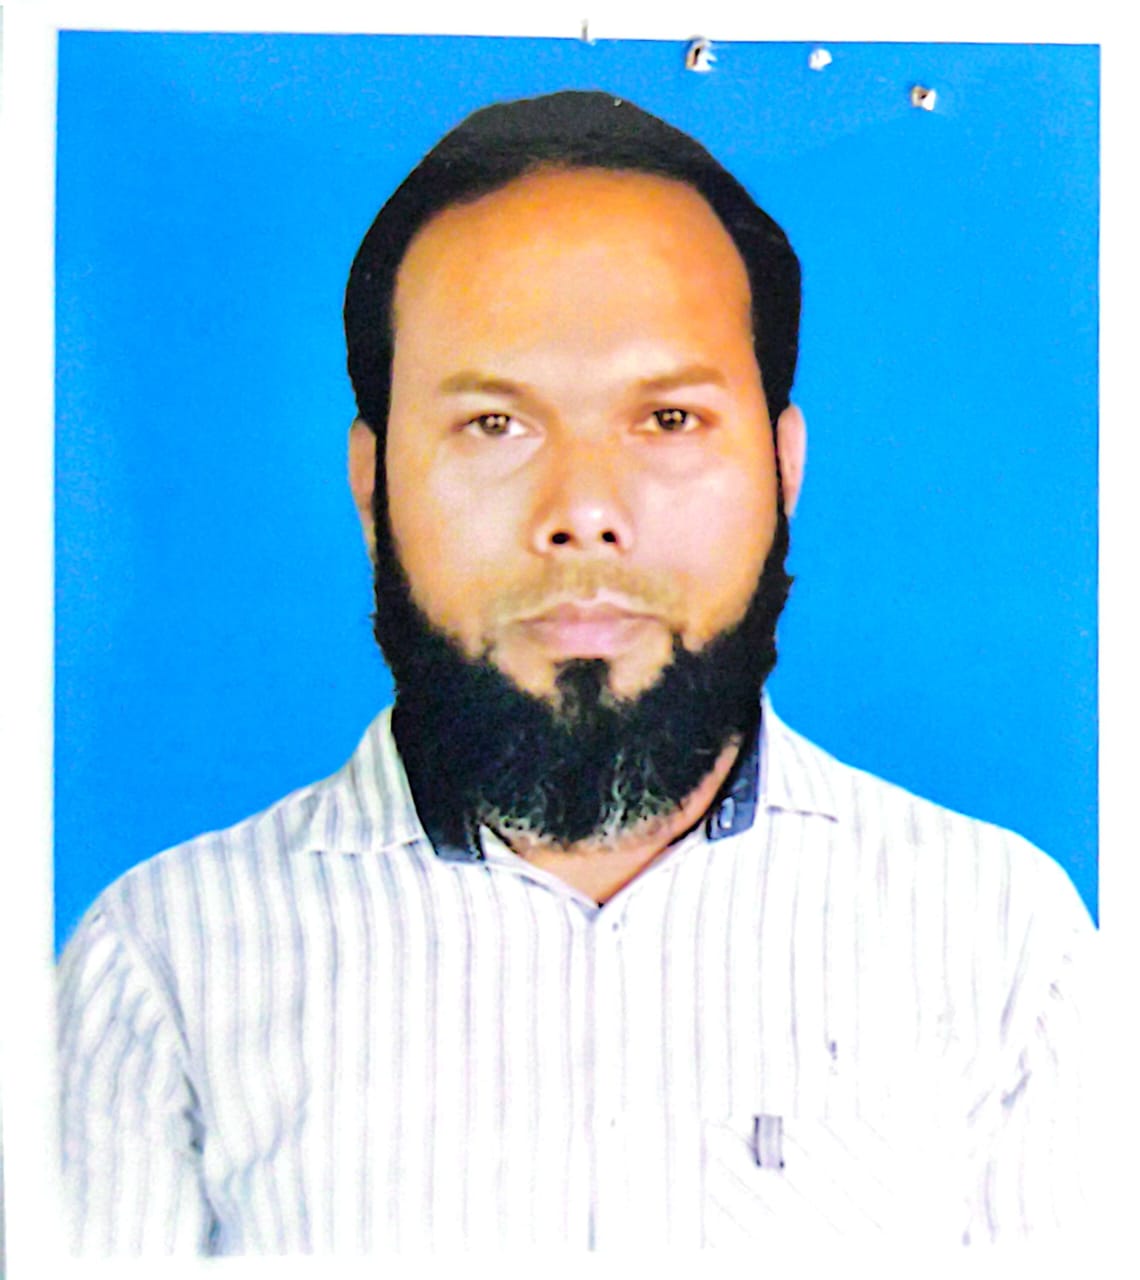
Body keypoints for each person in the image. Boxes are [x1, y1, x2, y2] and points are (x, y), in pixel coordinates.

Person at [56, 89, 1095, 1253]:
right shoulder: (164, 964)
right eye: (495, 424)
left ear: (783, 467)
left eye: (669, 418)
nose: (586, 511)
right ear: (372, 482)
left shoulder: (1002, 936)